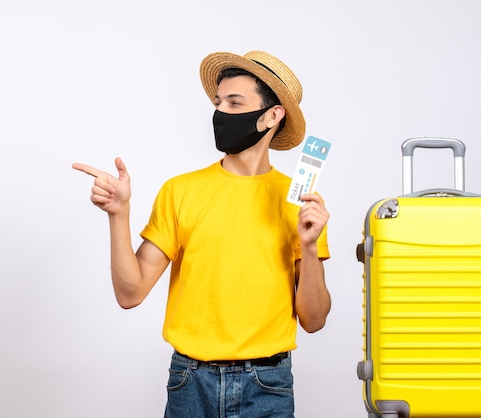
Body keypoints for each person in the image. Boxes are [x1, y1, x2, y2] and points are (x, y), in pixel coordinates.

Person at [72, 50, 331, 418]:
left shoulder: (301, 204)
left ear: (272, 115)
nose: (220, 112)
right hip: (190, 381)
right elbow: (130, 294)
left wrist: (308, 245)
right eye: (218, 102)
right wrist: (119, 214)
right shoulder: (181, 191)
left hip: (268, 383)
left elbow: (314, 319)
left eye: (234, 102)